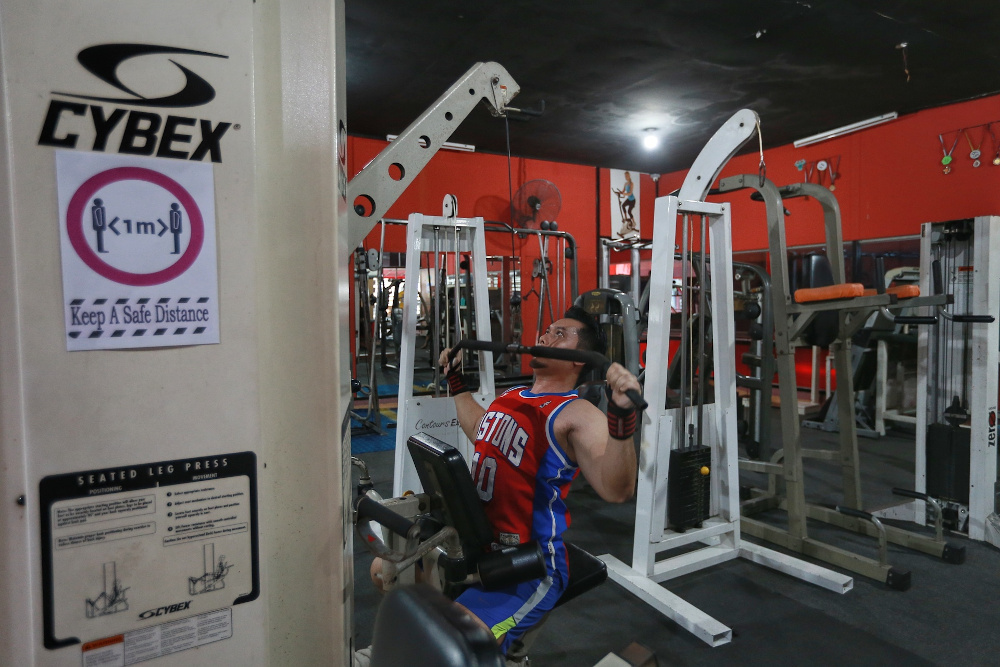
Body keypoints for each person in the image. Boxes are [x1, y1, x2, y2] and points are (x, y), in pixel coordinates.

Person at [441, 306, 639, 660]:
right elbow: (478, 430)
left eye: (560, 334)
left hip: (529, 568)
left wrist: (621, 416)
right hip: (479, 547)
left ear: (579, 360)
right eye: (546, 331)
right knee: (386, 572)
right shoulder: (512, 397)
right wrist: (456, 383)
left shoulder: (575, 413)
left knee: (453, 645)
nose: (544, 338)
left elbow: (617, 489)